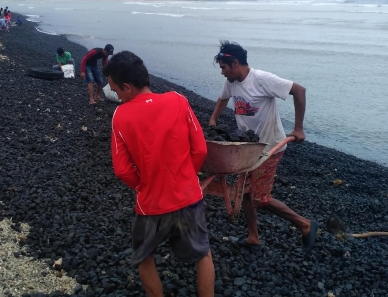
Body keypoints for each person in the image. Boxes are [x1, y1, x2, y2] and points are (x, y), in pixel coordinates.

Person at [103, 51, 215, 297]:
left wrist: (144, 185)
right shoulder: (178, 100)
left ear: (127, 87)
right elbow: (201, 149)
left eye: (116, 90)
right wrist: (186, 175)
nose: (117, 96)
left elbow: (122, 169)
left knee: (145, 258)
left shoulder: (121, 115)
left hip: (151, 205)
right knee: (203, 254)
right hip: (188, 198)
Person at [208, 41, 318, 253]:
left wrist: (298, 128)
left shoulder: (261, 79)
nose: (222, 72)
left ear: (235, 63)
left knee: (258, 197)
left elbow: (299, 90)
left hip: (270, 147)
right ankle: (253, 237)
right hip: (248, 148)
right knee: (246, 192)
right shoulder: (231, 82)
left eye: (224, 67)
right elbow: (223, 99)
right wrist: (213, 119)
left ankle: (305, 224)